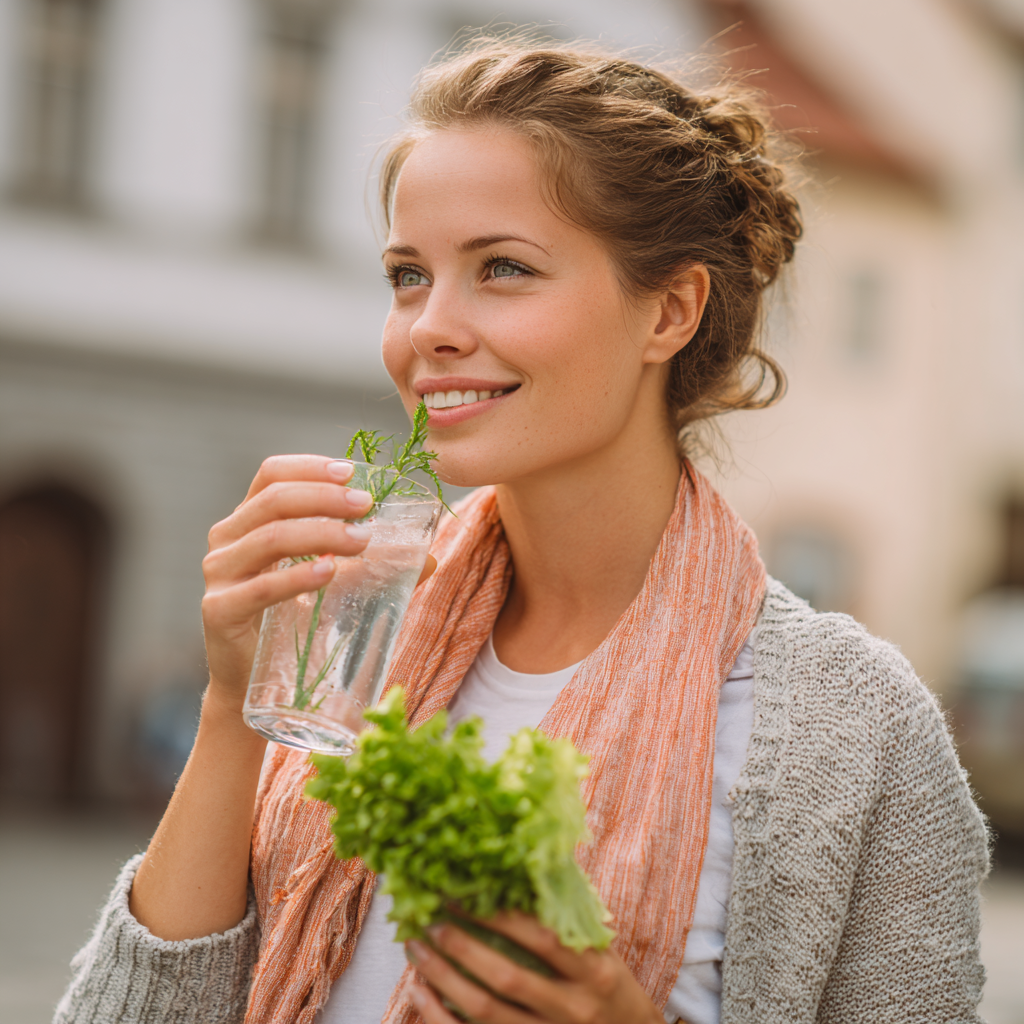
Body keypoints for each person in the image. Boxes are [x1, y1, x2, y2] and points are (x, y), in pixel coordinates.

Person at [55, 40, 989, 1024]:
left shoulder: (855, 730)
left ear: (669, 310)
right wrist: (233, 703)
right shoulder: (350, 633)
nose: (429, 327)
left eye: (502, 268)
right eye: (408, 276)